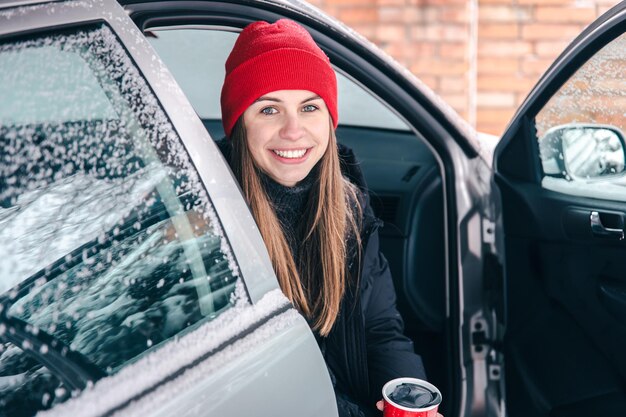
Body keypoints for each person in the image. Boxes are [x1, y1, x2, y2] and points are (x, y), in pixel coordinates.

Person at [218, 19, 436, 417]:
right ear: (239, 124)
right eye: (269, 109)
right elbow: (264, 382)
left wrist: (408, 402)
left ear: (329, 120)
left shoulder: (349, 206)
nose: (293, 130)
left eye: (309, 107)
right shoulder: (211, 219)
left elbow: (381, 329)